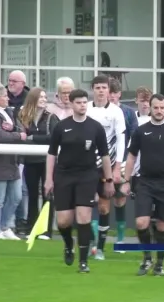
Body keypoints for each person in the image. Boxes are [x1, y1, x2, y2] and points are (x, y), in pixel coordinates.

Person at [44, 88, 114, 273]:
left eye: (84, 102)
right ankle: (68, 245)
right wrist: (49, 179)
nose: (82, 105)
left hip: (87, 176)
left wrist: (108, 180)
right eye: (78, 102)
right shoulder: (61, 126)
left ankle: (83, 262)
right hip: (64, 176)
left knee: (84, 218)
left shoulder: (95, 127)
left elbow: (105, 156)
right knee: (64, 222)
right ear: (72, 104)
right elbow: (51, 154)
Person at [121, 94, 164, 276]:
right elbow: (131, 157)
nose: (159, 111)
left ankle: (159, 264)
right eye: (155, 108)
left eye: (162, 108)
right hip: (145, 181)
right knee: (141, 222)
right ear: (150, 108)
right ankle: (146, 258)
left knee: (162, 225)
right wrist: (126, 180)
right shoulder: (141, 130)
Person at [86, 75, 126, 260]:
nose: (101, 91)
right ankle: (88, 243)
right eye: (98, 87)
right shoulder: (85, 108)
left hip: (106, 166)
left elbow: (121, 140)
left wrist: (117, 167)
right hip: (85, 165)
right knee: (84, 205)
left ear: (109, 90)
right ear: (92, 89)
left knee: (103, 207)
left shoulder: (116, 112)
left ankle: (100, 248)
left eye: (104, 87)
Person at [19, 87, 60, 239]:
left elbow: (53, 138)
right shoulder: (24, 116)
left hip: (47, 161)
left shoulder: (51, 117)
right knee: (31, 195)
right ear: (33, 99)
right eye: (40, 97)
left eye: (45, 97)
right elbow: (20, 135)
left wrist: (32, 138)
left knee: (48, 194)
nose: (44, 99)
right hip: (30, 160)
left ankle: (46, 230)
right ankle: (31, 228)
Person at [108, 78, 138, 250]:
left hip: (123, 161)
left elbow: (135, 135)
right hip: (101, 162)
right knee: (100, 200)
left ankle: (120, 240)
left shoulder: (127, 112)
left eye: (114, 93)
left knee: (119, 200)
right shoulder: (96, 111)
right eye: (109, 92)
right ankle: (95, 242)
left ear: (119, 94)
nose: (111, 96)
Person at [0, 80, 26, 240]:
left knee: (16, 197)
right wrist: (16, 135)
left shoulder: (10, 112)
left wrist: (14, 130)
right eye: (4, 96)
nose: (8, 98)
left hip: (13, 162)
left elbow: (23, 131)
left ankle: (5, 226)